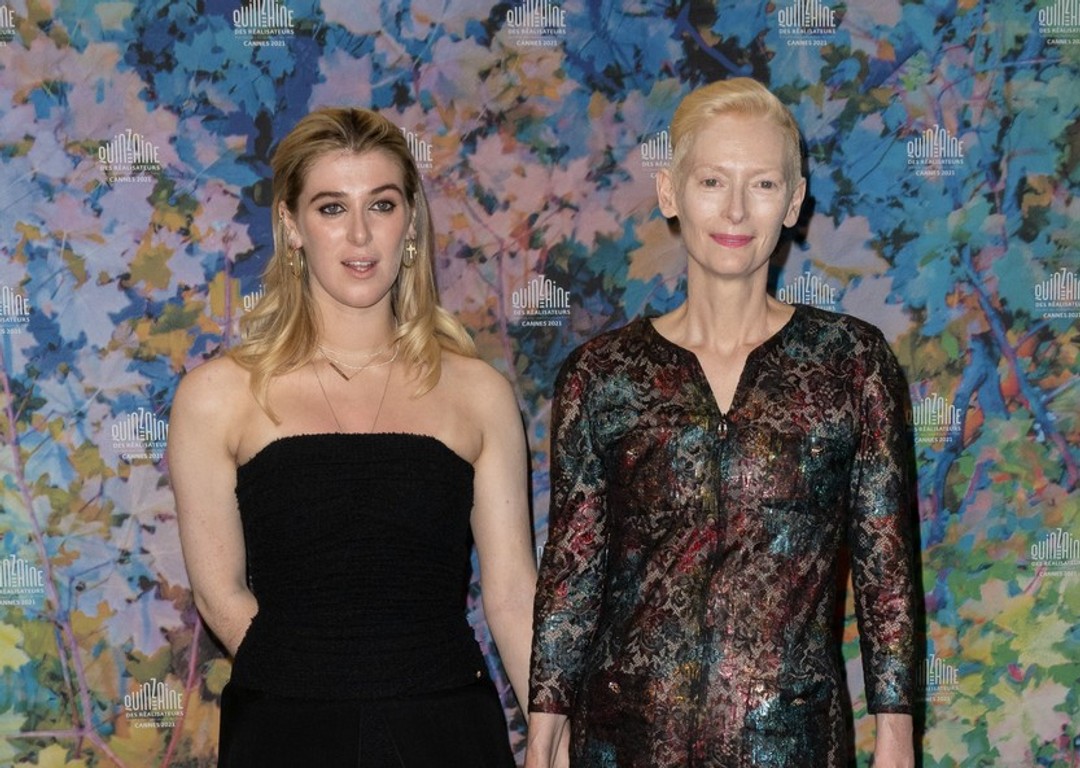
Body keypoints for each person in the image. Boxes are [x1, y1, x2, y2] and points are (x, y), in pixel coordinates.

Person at [526, 78, 917, 768]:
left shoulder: (852, 362)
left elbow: (887, 571)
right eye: (712, 180)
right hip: (626, 740)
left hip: (792, 742)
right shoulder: (602, 374)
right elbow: (573, 571)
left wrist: (897, 735)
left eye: (762, 184)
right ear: (670, 192)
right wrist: (544, 733)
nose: (735, 208)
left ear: (793, 202)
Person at [168, 107, 536, 767]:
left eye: (382, 205)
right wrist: (317, 675)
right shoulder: (217, 397)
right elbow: (220, 595)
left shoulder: (478, 392)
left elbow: (511, 596)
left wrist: (553, 732)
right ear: (292, 224)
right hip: (285, 734)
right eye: (332, 207)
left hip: (449, 734)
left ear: (411, 221)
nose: (360, 234)